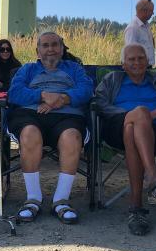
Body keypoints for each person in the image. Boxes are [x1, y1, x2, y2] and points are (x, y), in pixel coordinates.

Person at [94, 44, 156, 236]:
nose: (137, 62)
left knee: (133, 127)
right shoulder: (112, 79)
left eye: (141, 58)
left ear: (148, 61)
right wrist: (131, 115)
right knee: (138, 114)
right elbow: (99, 103)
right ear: (123, 64)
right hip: (116, 129)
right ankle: (153, 179)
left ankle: (136, 207)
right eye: (131, 59)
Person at [7, 31, 93, 225]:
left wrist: (61, 99)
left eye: (55, 45)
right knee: (29, 134)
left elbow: (87, 90)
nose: (50, 49)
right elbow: (14, 93)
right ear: (38, 51)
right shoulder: (27, 70)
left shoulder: (75, 69)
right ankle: (33, 199)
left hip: (67, 115)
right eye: (45, 45)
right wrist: (44, 96)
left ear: (62, 49)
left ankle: (61, 200)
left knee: (72, 137)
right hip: (30, 114)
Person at [124, 0, 156, 67]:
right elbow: (131, 52)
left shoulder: (146, 26)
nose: (152, 14)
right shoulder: (133, 28)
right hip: (139, 68)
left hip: (147, 67)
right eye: (151, 11)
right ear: (144, 11)